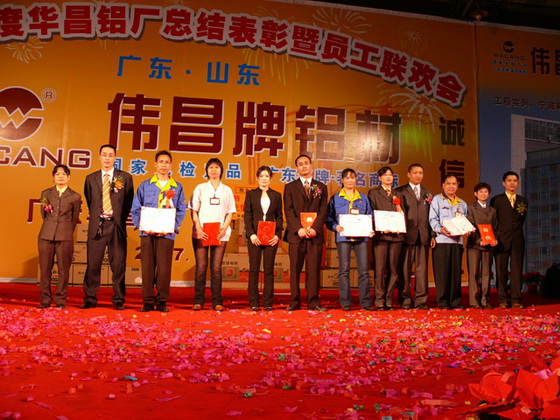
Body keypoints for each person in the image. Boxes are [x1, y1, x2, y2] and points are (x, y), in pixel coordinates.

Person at [131, 150, 187, 312]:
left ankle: (162, 300)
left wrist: (171, 227)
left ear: (171, 165)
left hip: (166, 233)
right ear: (155, 164)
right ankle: (148, 301)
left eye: (166, 162)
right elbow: (136, 208)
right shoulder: (145, 185)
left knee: (164, 269)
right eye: (161, 162)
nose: (163, 165)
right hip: (147, 232)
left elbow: (181, 209)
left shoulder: (177, 187)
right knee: (147, 267)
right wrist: (142, 225)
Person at [81, 144, 134, 310]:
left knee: (118, 265)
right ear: (99, 157)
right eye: (104, 155)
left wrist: (118, 219)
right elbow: (90, 200)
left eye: (110, 155)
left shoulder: (125, 177)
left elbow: (128, 202)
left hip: (116, 226)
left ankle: (118, 299)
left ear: (115, 158)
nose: (107, 158)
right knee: (93, 264)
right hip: (97, 225)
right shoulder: (91, 178)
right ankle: (90, 299)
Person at [188, 158, 236, 311]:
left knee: (216, 268)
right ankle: (198, 301)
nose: (214, 170)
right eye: (211, 167)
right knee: (201, 267)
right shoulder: (200, 188)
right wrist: (198, 227)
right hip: (201, 233)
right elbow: (193, 210)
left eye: (216, 167)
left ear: (221, 170)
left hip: (220, 233)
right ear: (206, 170)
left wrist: (224, 228)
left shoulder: (227, 190)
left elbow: (230, 212)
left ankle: (217, 301)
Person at [283, 154, 328, 311]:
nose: (303, 166)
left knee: (313, 269)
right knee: (295, 268)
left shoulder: (321, 186)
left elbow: (323, 209)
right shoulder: (290, 187)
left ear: (311, 166)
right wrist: (299, 229)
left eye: (306, 163)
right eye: (300, 164)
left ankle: (314, 301)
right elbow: (288, 210)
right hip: (297, 235)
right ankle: (294, 301)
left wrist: (315, 228)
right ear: (297, 168)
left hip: (315, 234)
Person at [326, 168, 375, 311]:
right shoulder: (336, 198)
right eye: (347, 178)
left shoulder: (363, 198)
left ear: (356, 180)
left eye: (352, 178)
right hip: (343, 238)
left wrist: (370, 229)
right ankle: (345, 302)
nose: (350, 180)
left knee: (364, 271)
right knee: (344, 270)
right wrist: (336, 227)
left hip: (361, 238)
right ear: (342, 180)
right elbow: (328, 218)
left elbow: (370, 216)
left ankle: (365, 302)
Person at [38, 165, 81, 309]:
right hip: (46, 235)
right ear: (53, 177)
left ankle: (60, 301)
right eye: (57, 174)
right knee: (45, 270)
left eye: (63, 174)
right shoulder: (46, 193)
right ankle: (44, 301)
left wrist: (65, 231)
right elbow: (44, 215)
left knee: (63, 271)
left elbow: (74, 218)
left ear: (68, 177)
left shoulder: (75, 196)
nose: (60, 176)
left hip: (65, 236)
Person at [395, 163, 435, 310]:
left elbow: (431, 216)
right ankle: (405, 299)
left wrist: (432, 235)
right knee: (404, 270)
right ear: (409, 174)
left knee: (422, 270)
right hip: (406, 236)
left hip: (423, 236)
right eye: (415, 172)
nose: (418, 175)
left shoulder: (427, 193)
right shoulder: (400, 191)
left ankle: (421, 300)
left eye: (421, 173)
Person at [243, 166, 283, 311]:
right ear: (257, 178)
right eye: (261, 176)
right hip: (255, 237)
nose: (264, 179)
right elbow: (247, 216)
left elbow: (279, 217)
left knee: (269, 270)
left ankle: (267, 302)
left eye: (267, 176)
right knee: (254, 269)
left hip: (271, 237)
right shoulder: (251, 194)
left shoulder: (276, 195)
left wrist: (277, 235)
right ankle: (253, 302)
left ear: (270, 179)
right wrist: (251, 234)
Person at [429, 174, 468, 309]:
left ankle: (455, 301)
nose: (451, 186)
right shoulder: (437, 200)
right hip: (442, 241)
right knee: (442, 273)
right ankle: (443, 301)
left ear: (457, 186)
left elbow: (465, 221)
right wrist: (440, 229)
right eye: (448, 183)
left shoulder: (462, 203)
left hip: (457, 242)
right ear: (443, 185)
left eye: (454, 184)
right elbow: (432, 219)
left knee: (456, 273)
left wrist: (466, 229)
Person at [368, 166, 404, 310]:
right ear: (380, 178)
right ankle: (379, 299)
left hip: (396, 236)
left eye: (391, 175)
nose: (388, 177)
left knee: (393, 269)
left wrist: (399, 223)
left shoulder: (398, 193)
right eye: (385, 175)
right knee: (380, 268)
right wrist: (379, 226)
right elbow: (371, 212)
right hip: (381, 236)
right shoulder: (374, 193)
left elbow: (403, 213)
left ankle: (389, 299)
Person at [490, 171, 528, 309]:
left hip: (517, 239)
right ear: (503, 183)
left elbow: (521, 219)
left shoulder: (523, 201)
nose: (512, 183)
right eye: (509, 180)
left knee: (517, 270)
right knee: (501, 270)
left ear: (518, 183)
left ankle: (516, 298)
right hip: (501, 239)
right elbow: (493, 220)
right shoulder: (496, 200)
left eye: (515, 180)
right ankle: (503, 299)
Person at [466, 182, 498, 309]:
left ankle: (485, 300)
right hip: (474, 245)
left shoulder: (492, 210)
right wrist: (479, 240)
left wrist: (495, 239)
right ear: (475, 194)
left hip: (488, 245)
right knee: (473, 273)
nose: (483, 194)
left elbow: (495, 227)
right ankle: (474, 301)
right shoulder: (471, 208)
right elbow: (470, 226)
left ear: (489, 194)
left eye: (486, 192)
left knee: (486, 274)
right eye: (481, 192)